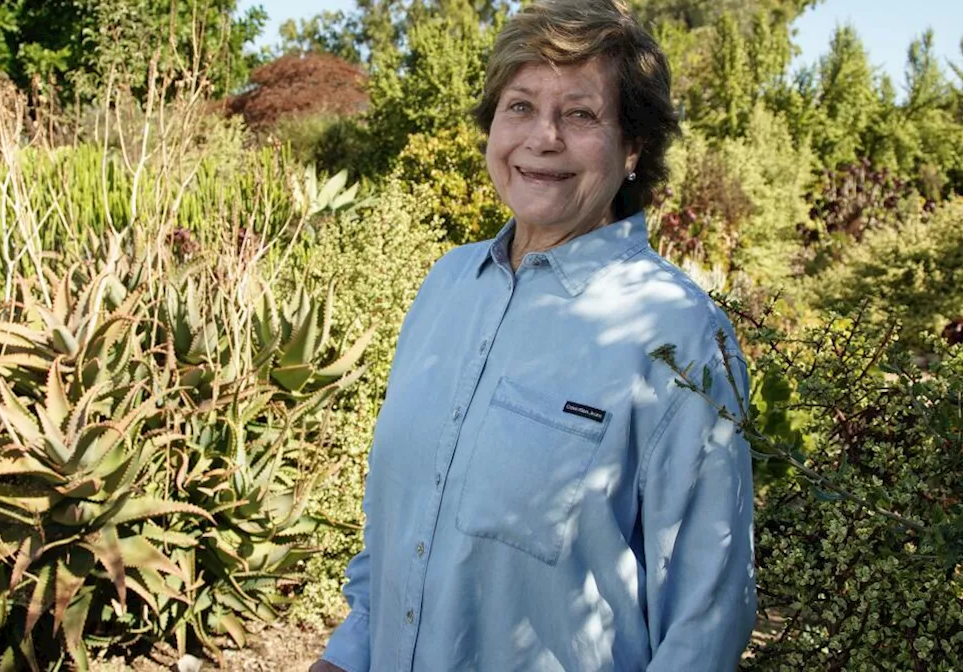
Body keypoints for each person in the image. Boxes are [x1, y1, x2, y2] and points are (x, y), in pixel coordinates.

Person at [311, 0, 757, 669]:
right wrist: (345, 655)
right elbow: (403, 533)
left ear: (633, 146)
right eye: (519, 106)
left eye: (580, 114)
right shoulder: (448, 287)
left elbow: (704, 620)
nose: (542, 137)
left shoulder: (678, 334)